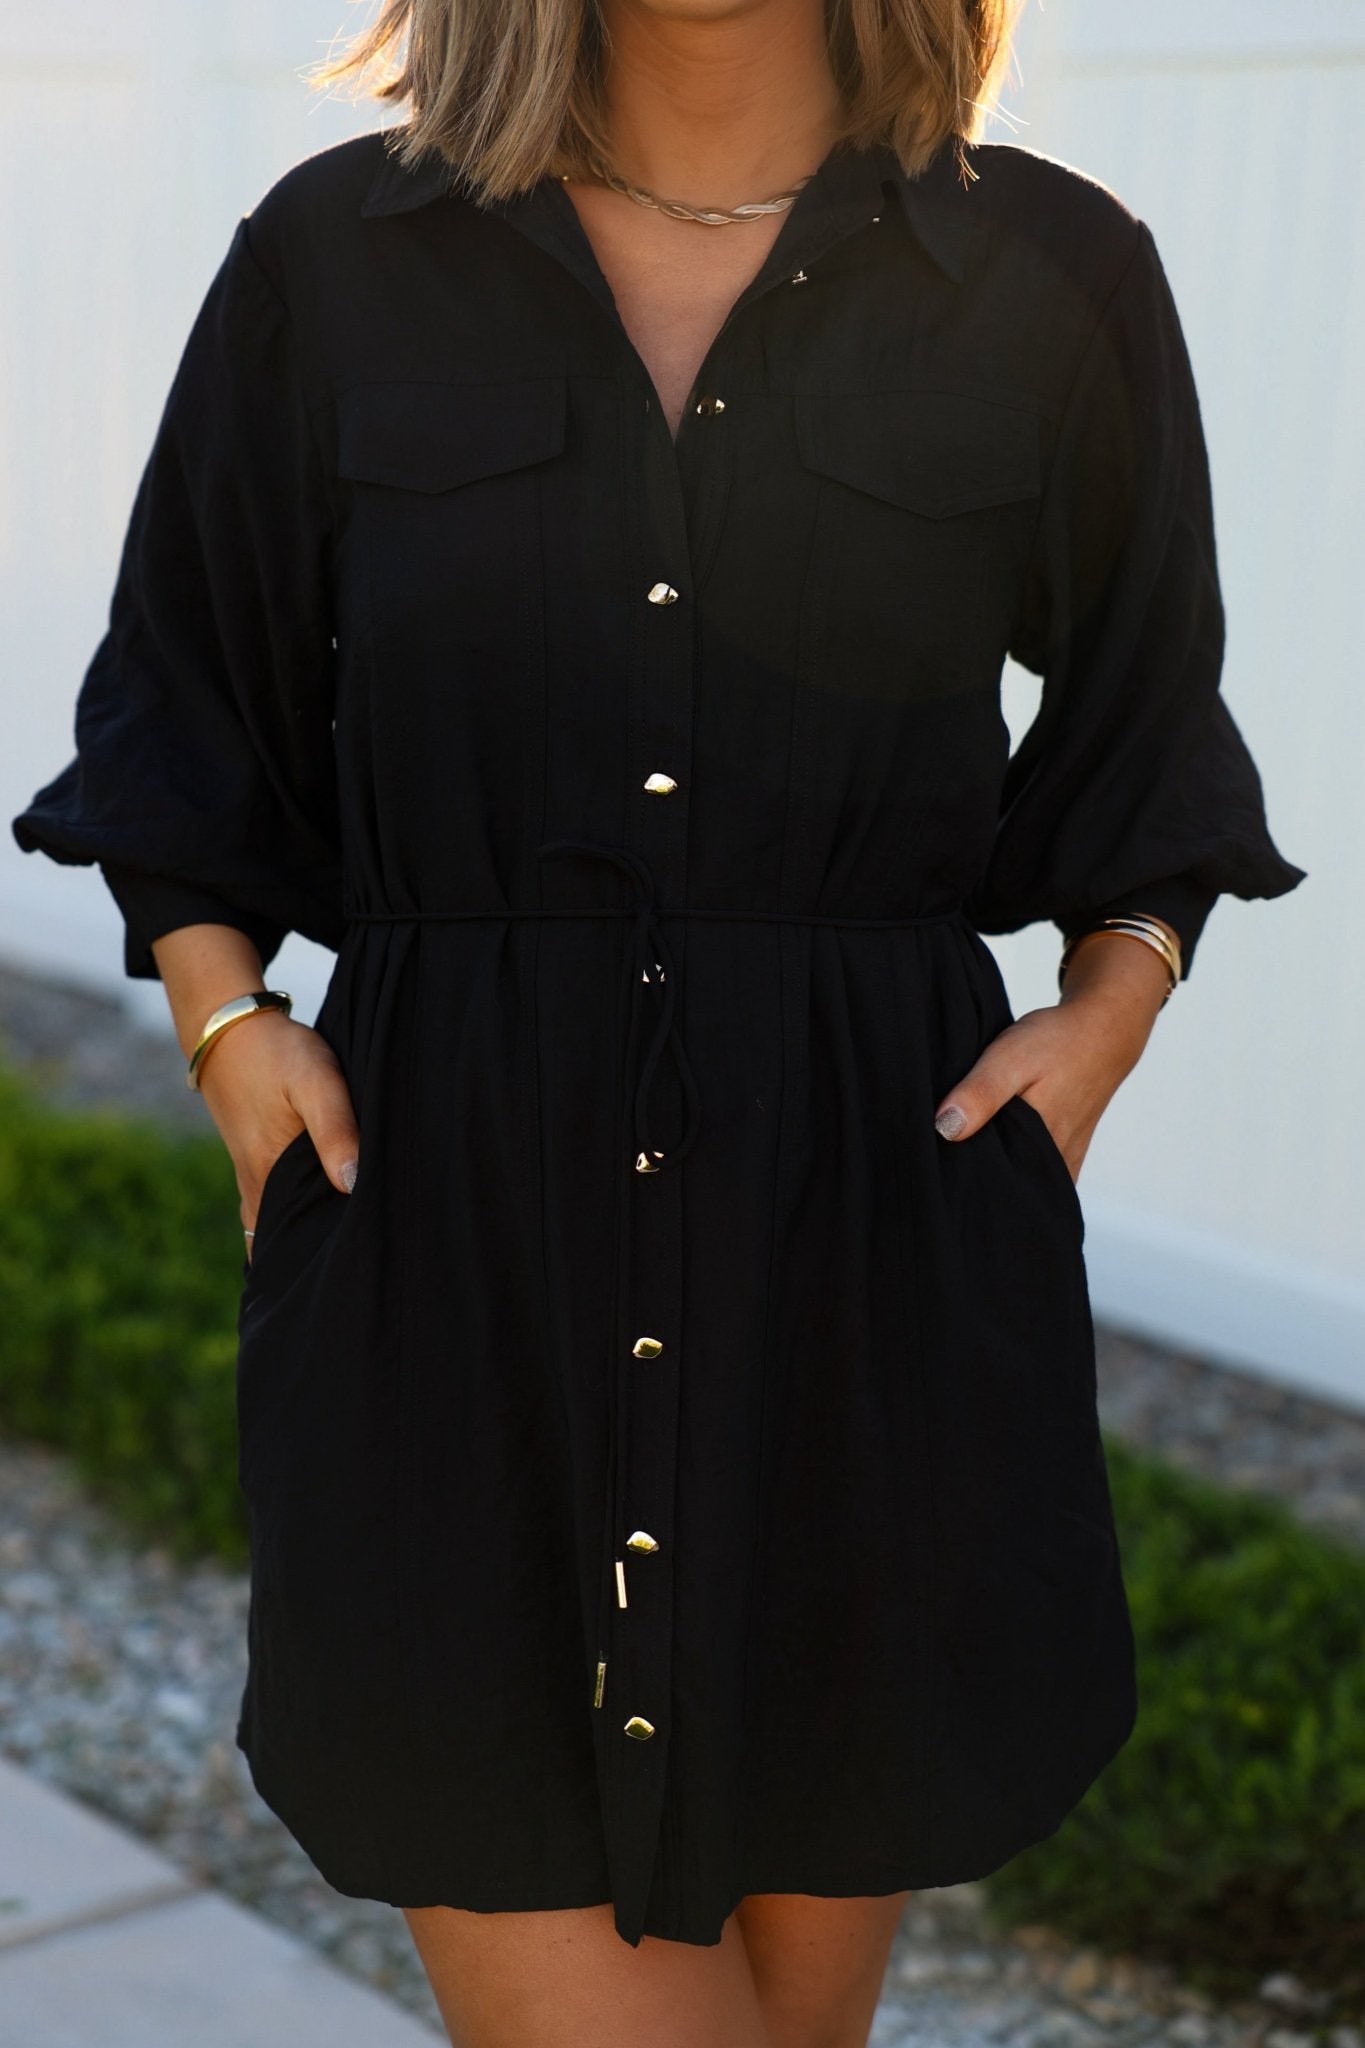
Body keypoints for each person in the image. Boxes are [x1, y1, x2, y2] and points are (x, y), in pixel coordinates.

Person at [11, 0, 1307, 2041]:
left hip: (861, 1263)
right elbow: (185, 697)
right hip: (457, 1257)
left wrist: (1108, 1006)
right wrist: (229, 1027)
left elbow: (1149, 707)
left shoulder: (1047, 267)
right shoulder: (335, 261)